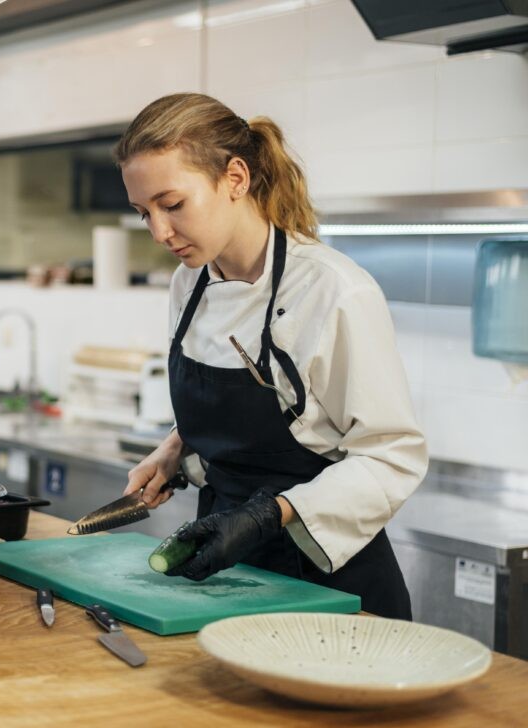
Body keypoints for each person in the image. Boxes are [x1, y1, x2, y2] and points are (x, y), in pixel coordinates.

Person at [116, 93, 427, 620]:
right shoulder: (188, 283)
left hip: (326, 578)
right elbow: (269, 407)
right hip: (223, 569)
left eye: (173, 205)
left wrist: (269, 514)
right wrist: (175, 448)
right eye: (144, 213)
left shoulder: (334, 291)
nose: (159, 232)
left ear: (235, 177)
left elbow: (391, 456)